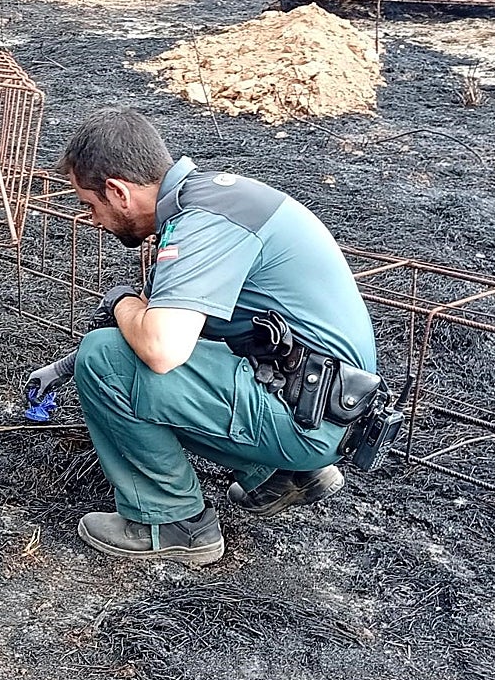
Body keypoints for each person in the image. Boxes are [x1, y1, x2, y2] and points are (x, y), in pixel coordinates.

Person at [26, 107, 379, 565]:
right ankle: (284, 472)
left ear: (117, 191)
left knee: (105, 357)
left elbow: (161, 348)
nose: (92, 219)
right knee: (119, 353)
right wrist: (62, 369)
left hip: (309, 417)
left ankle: (171, 523)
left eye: (89, 206)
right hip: (320, 401)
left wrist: (120, 302)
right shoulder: (211, 202)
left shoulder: (203, 225)